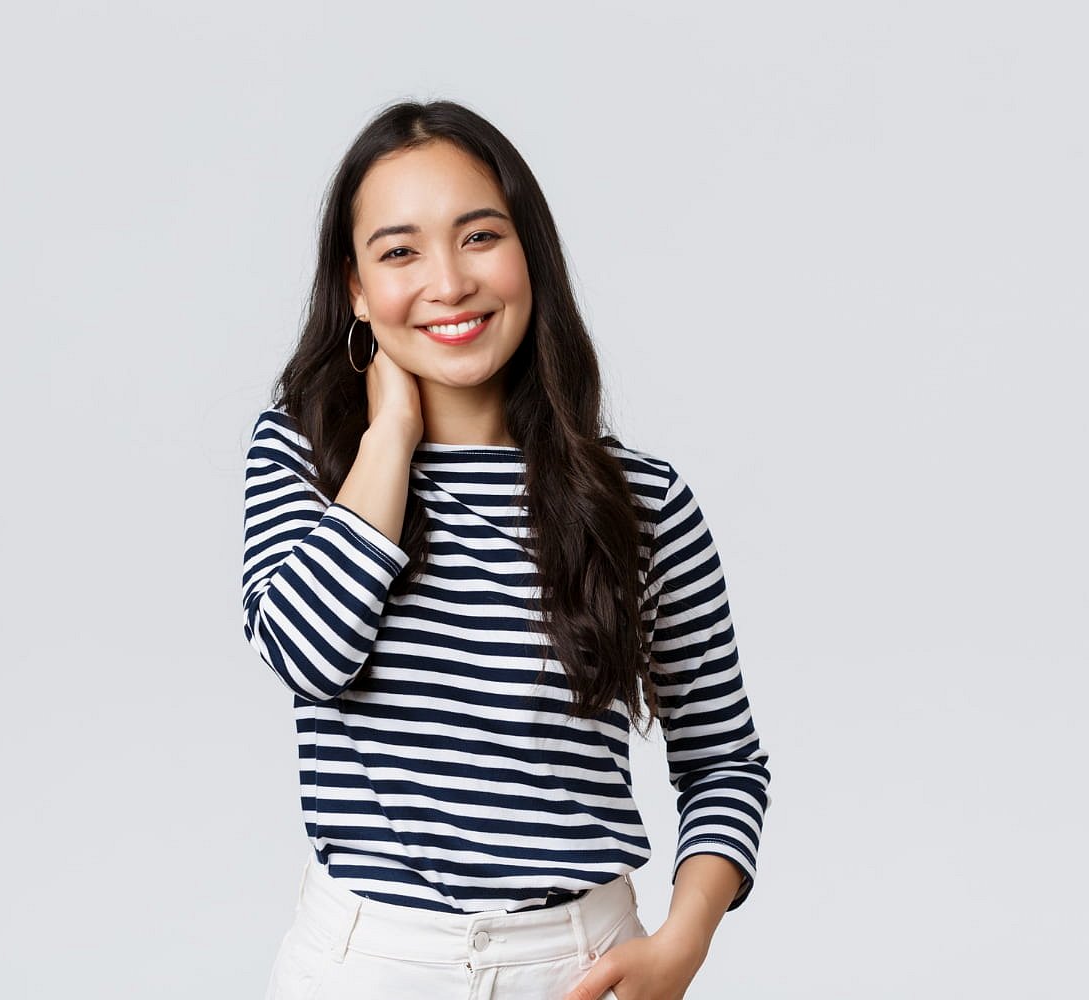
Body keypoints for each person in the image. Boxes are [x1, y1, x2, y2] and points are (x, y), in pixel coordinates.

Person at [241, 99, 771, 1000]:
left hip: (577, 964)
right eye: (400, 251)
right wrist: (391, 438)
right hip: (367, 967)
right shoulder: (305, 455)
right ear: (358, 288)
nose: (448, 283)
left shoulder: (639, 500)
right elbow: (306, 656)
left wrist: (685, 941)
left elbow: (724, 759)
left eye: (479, 236)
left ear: (530, 253)